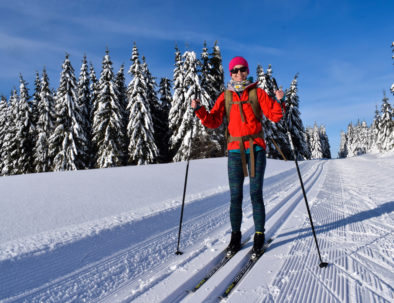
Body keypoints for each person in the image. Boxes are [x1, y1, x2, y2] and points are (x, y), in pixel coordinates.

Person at [191, 56, 285, 255]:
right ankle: (235, 236)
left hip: (256, 149)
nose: (238, 73)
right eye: (234, 70)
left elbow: (275, 115)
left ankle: (259, 234)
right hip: (234, 151)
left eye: (242, 70)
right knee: (235, 197)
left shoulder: (257, 93)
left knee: (255, 194)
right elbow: (213, 121)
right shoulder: (226, 96)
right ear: (230, 73)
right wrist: (199, 110)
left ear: (247, 71)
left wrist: (279, 100)